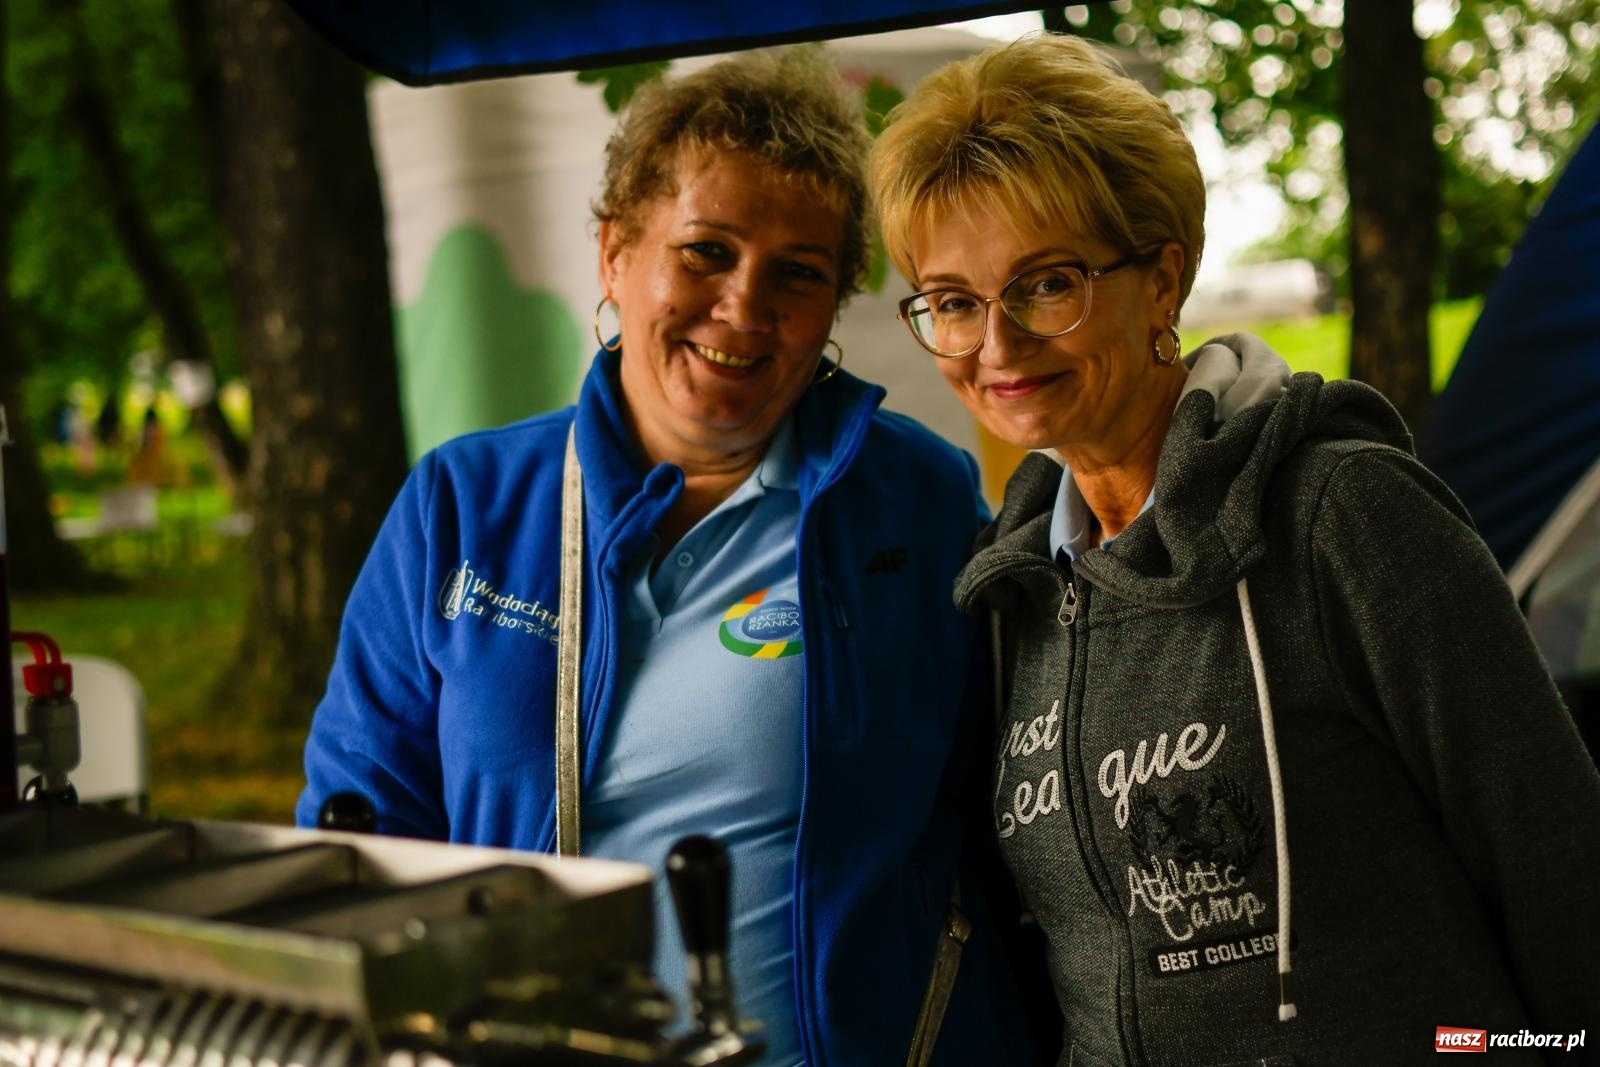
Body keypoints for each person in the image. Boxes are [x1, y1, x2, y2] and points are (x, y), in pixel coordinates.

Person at [299, 48, 1046, 1067]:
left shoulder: (914, 498)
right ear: (614, 254)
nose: (743, 306)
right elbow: (360, 838)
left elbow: (1006, 811)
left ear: (833, 307)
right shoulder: (463, 506)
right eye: (705, 251)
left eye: (797, 273)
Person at [869, 32, 1600, 1065]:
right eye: (951, 301)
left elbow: (1561, 872)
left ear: (1160, 276)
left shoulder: (1342, 512)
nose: (996, 345)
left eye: (1045, 283)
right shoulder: (1013, 593)